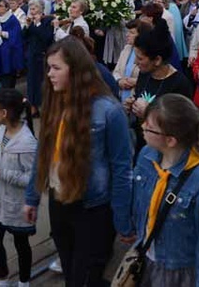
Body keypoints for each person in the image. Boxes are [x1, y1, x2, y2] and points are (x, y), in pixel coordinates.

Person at [24, 37, 134, 287]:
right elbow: (43, 153)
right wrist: (32, 197)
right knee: (71, 269)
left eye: (56, 68)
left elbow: (121, 169)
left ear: (75, 69)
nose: (49, 74)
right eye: (48, 67)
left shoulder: (108, 111)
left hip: (93, 208)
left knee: (85, 275)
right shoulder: (54, 101)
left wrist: (123, 219)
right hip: (59, 203)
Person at [132, 94, 199, 286]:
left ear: (171, 140)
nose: (142, 128)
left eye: (149, 127)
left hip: (179, 272)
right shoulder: (146, 157)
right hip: (146, 258)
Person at [0, 89, 37, 287]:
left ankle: (24, 282)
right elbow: (2, 157)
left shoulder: (28, 143)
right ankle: (2, 280)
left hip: (18, 205)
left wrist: (1, 173)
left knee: (21, 244)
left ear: (4, 113)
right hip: (0, 201)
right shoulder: (1, 131)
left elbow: (34, 178)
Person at [125, 21, 193, 152]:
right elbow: (140, 94)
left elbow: (181, 126)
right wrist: (132, 104)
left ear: (157, 60)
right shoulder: (145, 74)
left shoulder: (179, 84)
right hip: (142, 145)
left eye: (140, 59)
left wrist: (149, 112)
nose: (135, 62)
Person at [24, 0, 54, 116]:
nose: (32, 10)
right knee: (31, 81)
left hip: (42, 55)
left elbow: (46, 37)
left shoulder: (47, 20)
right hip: (32, 54)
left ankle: (45, 106)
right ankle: (33, 106)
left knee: (43, 82)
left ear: (41, 9)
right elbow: (24, 36)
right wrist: (27, 25)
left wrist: (37, 24)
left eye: (34, 8)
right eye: (31, 8)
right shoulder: (30, 20)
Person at [0, 0, 24, 90]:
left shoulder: (12, 19)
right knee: (0, 72)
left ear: (6, 8)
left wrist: (3, 33)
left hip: (9, 51)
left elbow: (16, 34)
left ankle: (9, 90)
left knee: (8, 73)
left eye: (1, 6)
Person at [113, 19, 148, 103]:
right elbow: (116, 71)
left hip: (137, 98)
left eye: (132, 33)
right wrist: (119, 80)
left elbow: (150, 77)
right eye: (128, 32)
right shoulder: (126, 48)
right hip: (121, 95)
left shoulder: (147, 53)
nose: (127, 35)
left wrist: (136, 82)